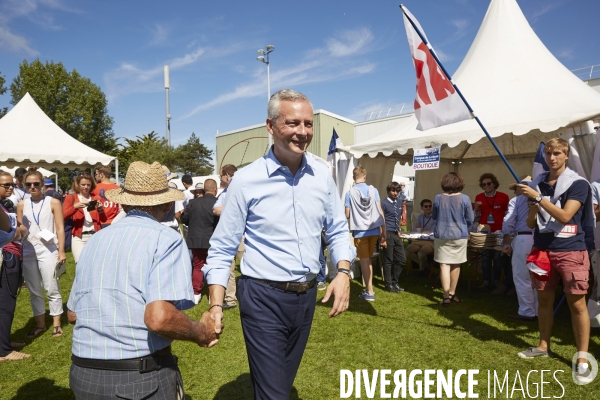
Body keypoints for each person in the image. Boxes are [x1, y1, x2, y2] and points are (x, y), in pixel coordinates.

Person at [203, 89, 354, 399]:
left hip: (306, 296)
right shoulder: (247, 180)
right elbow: (222, 247)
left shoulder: (323, 176)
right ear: (270, 126)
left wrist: (343, 271)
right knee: (275, 394)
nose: (303, 132)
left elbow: (338, 230)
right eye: (293, 123)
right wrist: (216, 304)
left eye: (308, 124)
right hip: (262, 297)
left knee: (280, 386)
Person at [67, 161, 219, 399]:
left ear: (124, 202)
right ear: (168, 204)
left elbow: (73, 314)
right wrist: (201, 331)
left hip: (84, 373)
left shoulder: (95, 240)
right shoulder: (166, 239)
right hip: (137, 377)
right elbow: (159, 317)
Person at [516, 138, 595, 384]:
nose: (552, 158)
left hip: (571, 250)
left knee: (577, 304)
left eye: (557, 153)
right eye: (549, 153)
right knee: (544, 300)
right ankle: (543, 345)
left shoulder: (578, 183)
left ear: (566, 155)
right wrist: (532, 203)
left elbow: (565, 215)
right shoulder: (538, 183)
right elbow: (530, 223)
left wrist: (538, 198)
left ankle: (582, 358)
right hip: (541, 250)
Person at [16, 169, 66, 339]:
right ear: (24, 185)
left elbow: (60, 228)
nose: (32, 187)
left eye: (36, 183)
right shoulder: (22, 204)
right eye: (28, 184)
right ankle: (40, 324)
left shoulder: (53, 202)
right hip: (29, 248)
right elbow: (20, 228)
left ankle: (57, 324)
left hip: (49, 247)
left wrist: (61, 251)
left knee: (51, 286)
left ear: (42, 184)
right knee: (34, 289)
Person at [0, 171, 30, 362]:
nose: (11, 187)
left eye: (12, 184)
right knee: (5, 304)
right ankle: (4, 351)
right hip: (6, 257)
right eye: (6, 185)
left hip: (10, 255)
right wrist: (17, 231)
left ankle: (4, 342)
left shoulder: (4, 205)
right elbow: (11, 233)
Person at [345, 165, 386, 301]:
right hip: (374, 229)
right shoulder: (373, 190)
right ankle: (370, 289)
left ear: (354, 177)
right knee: (368, 259)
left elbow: (347, 213)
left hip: (360, 231)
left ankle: (370, 291)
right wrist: (383, 231)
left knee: (364, 260)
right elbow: (380, 211)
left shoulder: (349, 193)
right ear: (365, 176)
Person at [432, 172, 474, 305]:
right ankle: (452, 293)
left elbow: (434, 216)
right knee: (456, 263)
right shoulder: (465, 198)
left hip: (442, 234)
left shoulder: (438, 198)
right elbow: (470, 219)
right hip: (459, 235)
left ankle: (446, 297)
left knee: (444, 264)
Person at [502, 176, 537, 321]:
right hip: (538, 239)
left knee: (522, 276)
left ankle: (527, 311)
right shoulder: (541, 198)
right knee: (536, 276)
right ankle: (537, 309)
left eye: (516, 188)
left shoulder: (516, 201)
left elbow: (508, 221)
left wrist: (506, 240)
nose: (515, 191)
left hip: (523, 238)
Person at [180, 179, 219, 305]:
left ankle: (196, 293)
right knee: (213, 267)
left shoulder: (192, 203)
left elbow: (184, 219)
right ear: (215, 189)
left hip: (196, 239)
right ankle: (212, 295)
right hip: (214, 239)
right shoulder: (218, 203)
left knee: (198, 266)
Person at [474, 173, 512, 294]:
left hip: (499, 231)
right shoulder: (479, 197)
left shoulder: (503, 197)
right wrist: (477, 211)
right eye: (484, 184)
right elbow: (476, 217)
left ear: (494, 183)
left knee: (497, 257)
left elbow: (508, 214)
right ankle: (486, 281)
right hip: (485, 230)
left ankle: (496, 281)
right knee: (485, 257)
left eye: (489, 183)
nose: (486, 186)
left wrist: (507, 230)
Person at [213, 164, 242, 310]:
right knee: (229, 268)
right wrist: (232, 207)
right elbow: (216, 210)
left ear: (227, 176)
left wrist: (227, 208)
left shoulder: (244, 189)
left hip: (244, 236)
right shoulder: (224, 194)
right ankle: (231, 299)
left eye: (220, 176)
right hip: (228, 235)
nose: (220, 179)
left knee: (249, 267)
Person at [62, 173, 106, 264]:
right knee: (80, 264)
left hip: (95, 236)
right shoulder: (71, 198)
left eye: (88, 185)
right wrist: (75, 207)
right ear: (78, 185)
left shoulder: (96, 198)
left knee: (95, 264)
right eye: (83, 184)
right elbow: (63, 216)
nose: (86, 187)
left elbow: (104, 219)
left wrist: (100, 210)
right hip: (79, 237)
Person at [379, 181, 407, 292]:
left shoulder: (399, 203)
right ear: (388, 191)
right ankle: (388, 284)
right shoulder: (384, 203)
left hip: (395, 232)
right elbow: (381, 221)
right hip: (387, 233)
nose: (395, 193)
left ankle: (395, 282)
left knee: (402, 259)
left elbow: (399, 217)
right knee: (388, 259)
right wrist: (383, 238)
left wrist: (399, 229)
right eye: (393, 191)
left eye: (397, 191)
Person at [405, 198, 435, 274]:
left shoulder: (435, 217)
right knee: (406, 252)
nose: (428, 208)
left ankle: (422, 270)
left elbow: (432, 232)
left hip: (430, 241)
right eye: (426, 206)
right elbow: (416, 229)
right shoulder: (420, 217)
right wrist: (424, 230)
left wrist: (421, 229)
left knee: (421, 253)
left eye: (430, 206)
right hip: (419, 240)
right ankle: (426, 266)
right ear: (422, 208)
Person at [92, 164, 121, 228]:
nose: (95, 176)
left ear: (102, 175)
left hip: (100, 222)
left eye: (96, 174)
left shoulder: (95, 187)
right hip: (115, 221)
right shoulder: (118, 188)